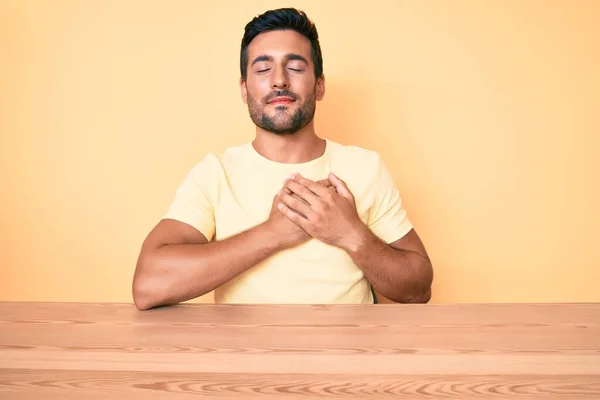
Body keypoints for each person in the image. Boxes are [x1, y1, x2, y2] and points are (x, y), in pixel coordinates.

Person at [132, 8, 433, 310]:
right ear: (243, 88)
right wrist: (273, 234)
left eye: (296, 68)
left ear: (319, 85)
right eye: (263, 70)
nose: (279, 80)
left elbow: (419, 288)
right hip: (244, 356)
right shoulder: (215, 174)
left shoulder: (364, 168)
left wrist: (350, 234)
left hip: (348, 356)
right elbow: (148, 285)